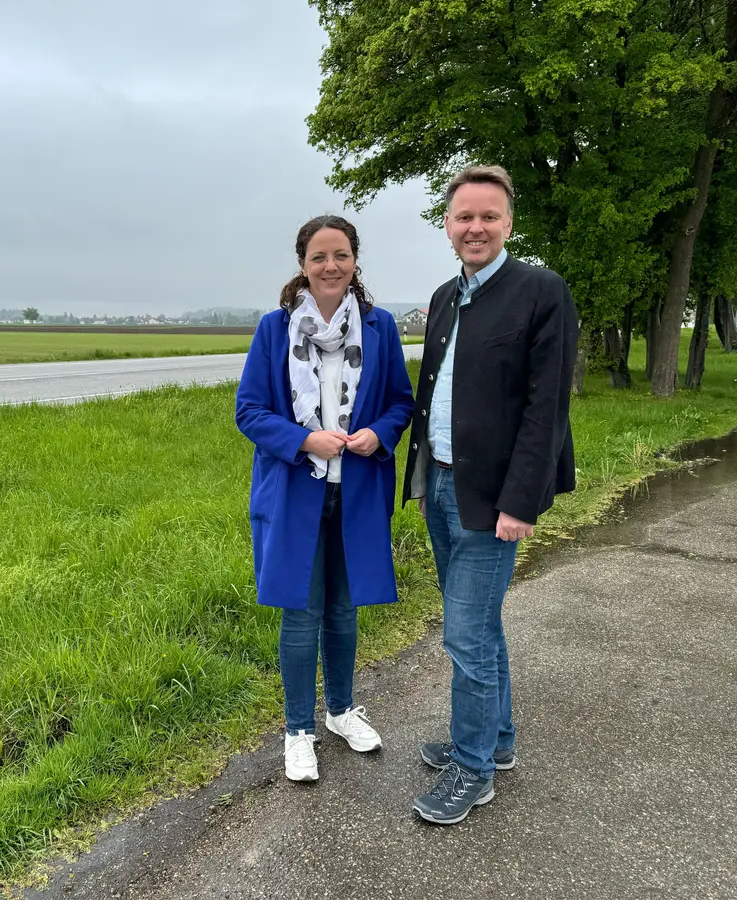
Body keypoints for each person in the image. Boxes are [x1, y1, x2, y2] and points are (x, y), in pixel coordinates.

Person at [403, 165, 578, 824]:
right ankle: (494, 741)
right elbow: (433, 396)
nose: (474, 227)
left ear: (509, 223)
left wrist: (520, 502)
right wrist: (422, 476)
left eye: (488, 216)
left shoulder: (540, 292)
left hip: (494, 496)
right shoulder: (448, 295)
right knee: (481, 630)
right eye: (463, 217)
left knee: (465, 636)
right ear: (448, 226)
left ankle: (472, 769)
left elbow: (546, 408)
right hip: (443, 483)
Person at [236, 214, 416, 782]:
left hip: (356, 492)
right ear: (303, 266)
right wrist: (304, 439)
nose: (330, 266)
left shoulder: (381, 328)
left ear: (355, 261)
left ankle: (340, 710)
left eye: (340, 255)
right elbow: (251, 412)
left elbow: (399, 403)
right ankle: (297, 729)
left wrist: (379, 434)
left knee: (342, 610)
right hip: (296, 492)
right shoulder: (274, 330)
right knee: (301, 612)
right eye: (319, 257)